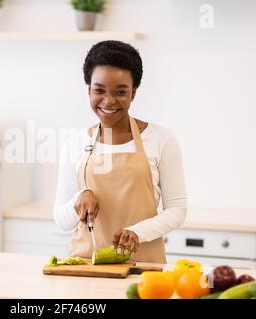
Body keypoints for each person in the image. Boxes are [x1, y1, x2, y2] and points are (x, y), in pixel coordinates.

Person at [53, 40, 187, 263]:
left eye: (120, 92)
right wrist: (80, 196)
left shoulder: (161, 139)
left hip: (143, 266)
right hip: (86, 266)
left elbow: (177, 210)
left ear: (133, 93)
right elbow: (61, 220)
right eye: (99, 90)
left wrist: (137, 232)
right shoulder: (75, 143)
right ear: (88, 90)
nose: (108, 101)